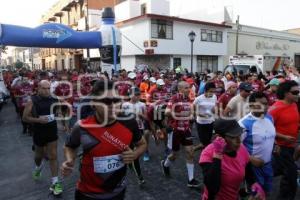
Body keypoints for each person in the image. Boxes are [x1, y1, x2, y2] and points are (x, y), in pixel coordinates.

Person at [61, 80, 147, 200]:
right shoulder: (82, 126)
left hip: (117, 192)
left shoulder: (129, 122)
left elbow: (142, 144)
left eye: (116, 100)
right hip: (87, 194)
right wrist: (70, 160)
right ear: (93, 103)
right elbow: (69, 146)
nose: (112, 105)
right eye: (106, 101)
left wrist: (135, 154)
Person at [199, 119, 265, 200]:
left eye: (239, 135)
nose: (239, 141)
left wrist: (254, 184)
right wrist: (217, 155)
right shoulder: (208, 153)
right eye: (233, 137)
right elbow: (212, 188)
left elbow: (248, 173)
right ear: (218, 137)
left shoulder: (242, 149)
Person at [22, 80, 62, 196]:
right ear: (38, 88)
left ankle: (55, 182)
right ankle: (38, 167)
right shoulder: (32, 101)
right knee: (38, 156)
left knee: (53, 156)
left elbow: (58, 111)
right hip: (39, 132)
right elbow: (25, 118)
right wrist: (38, 120)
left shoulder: (55, 99)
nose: (47, 91)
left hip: (52, 130)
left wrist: (59, 114)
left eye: (49, 88)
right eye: (44, 88)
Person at [161, 81, 201, 188]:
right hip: (176, 130)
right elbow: (167, 112)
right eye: (187, 88)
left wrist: (192, 114)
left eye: (189, 88)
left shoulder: (188, 99)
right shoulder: (175, 98)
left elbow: (191, 110)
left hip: (186, 130)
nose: (189, 89)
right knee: (175, 155)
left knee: (190, 152)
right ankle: (165, 164)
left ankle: (191, 180)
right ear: (180, 89)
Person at [239, 92, 276, 194]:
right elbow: (235, 145)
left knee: (267, 191)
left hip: (268, 164)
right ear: (251, 105)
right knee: (256, 195)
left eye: (266, 104)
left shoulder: (269, 118)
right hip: (253, 167)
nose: (265, 107)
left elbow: (270, 133)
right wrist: (250, 158)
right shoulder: (244, 123)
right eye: (261, 104)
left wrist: (275, 145)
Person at [268, 80, 299, 200]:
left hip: (292, 146)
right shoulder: (275, 108)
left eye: (298, 92)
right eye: (295, 92)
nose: (298, 94)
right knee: (291, 175)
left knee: (287, 175)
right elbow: (266, 129)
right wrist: (284, 137)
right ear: (286, 93)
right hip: (281, 147)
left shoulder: (294, 104)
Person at [121, 87, 147, 184]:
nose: (137, 96)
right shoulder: (124, 105)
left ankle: (139, 175)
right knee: (130, 150)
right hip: (127, 131)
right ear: (130, 94)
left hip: (139, 130)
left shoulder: (142, 105)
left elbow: (146, 118)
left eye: (138, 94)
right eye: (135, 94)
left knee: (136, 153)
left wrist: (141, 115)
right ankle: (135, 171)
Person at [193, 82, 217, 147]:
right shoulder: (198, 99)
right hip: (201, 123)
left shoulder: (214, 97)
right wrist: (201, 115)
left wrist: (215, 111)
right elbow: (193, 110)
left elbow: (214, 107)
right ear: (205, 91)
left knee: (209, 139)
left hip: (211, 122)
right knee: (204, 141)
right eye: (210, 91)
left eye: (213, 91)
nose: (212, 93)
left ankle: (205, 152)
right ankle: (205, 154)